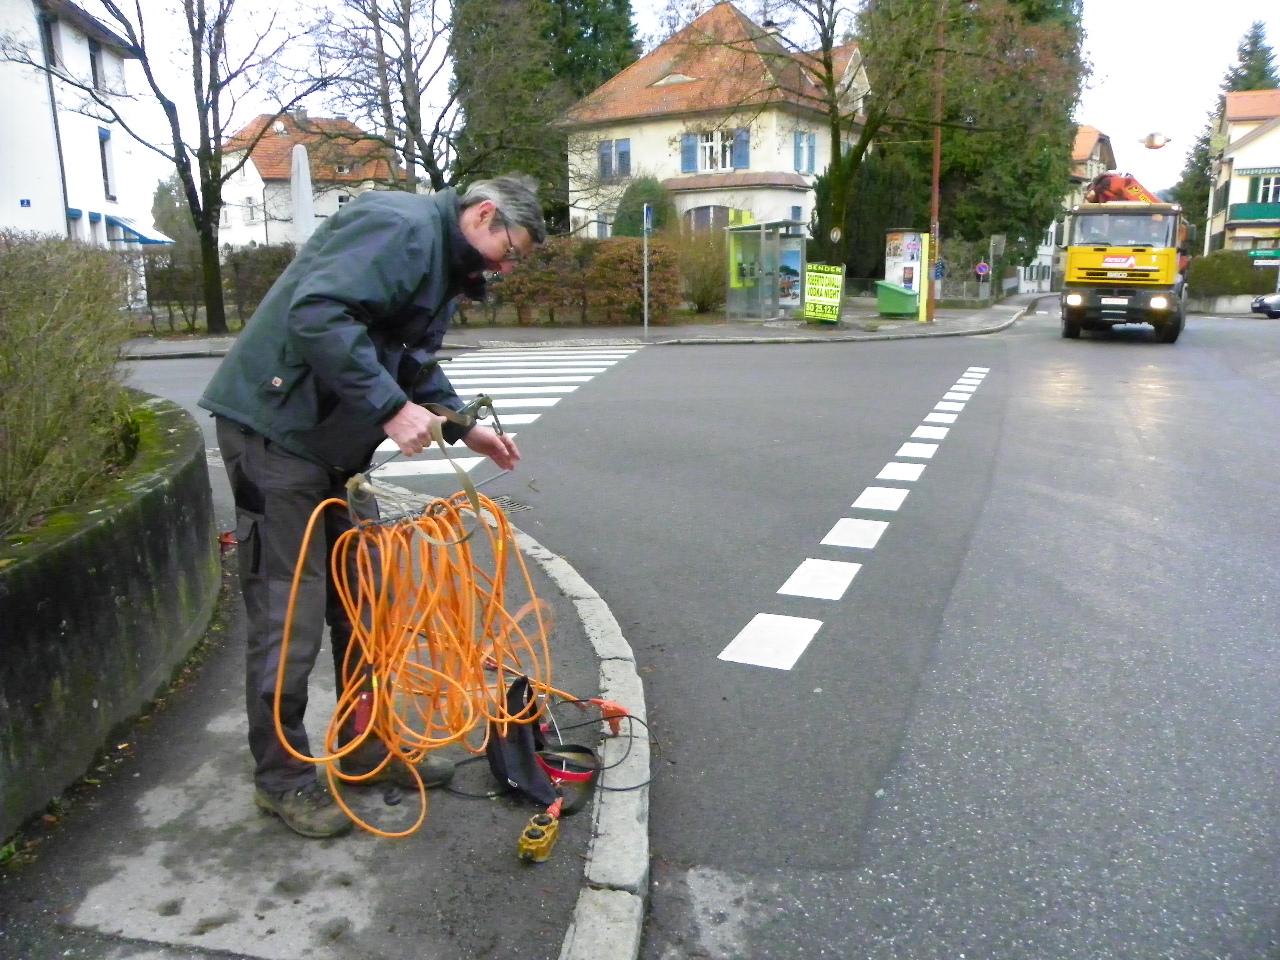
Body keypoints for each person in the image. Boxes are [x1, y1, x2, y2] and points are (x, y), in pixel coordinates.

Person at [199, 175, 545, 838]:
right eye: (510, 251)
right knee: (288, 615)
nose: (505, 269)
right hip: (278, 435)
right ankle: (283, 778)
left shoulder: (440, 259)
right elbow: (317, 314)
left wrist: (462, 425)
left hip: (333, 448)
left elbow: (408, 358)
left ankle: (364, 747)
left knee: (367, 605)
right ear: (483, 215)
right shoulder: (401, 227)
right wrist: (390, 409)